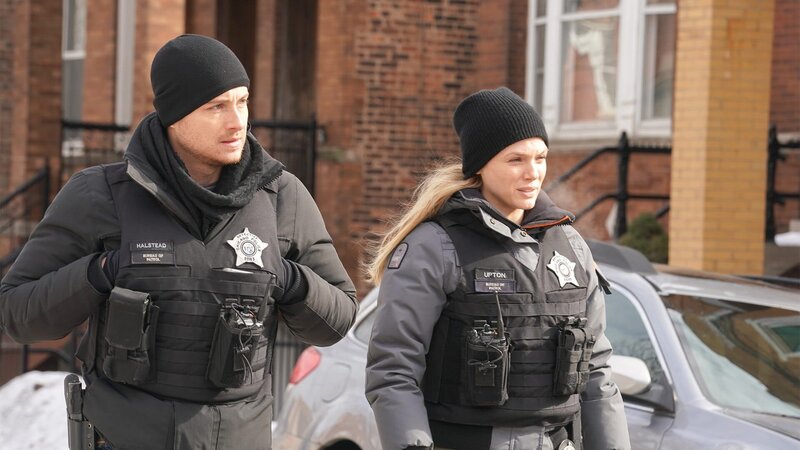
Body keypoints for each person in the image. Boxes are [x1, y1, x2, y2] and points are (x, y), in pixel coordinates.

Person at [0, 34, 358, 449]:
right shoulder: (101, 194)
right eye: (216, 107)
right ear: (174, 115)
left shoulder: (282, 197)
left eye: (242, 101)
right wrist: (101, 272)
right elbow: (17, 313)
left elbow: (340, 319)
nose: (237, 122)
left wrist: (287, 278)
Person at [365, 87, 630, 450]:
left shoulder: (571, 244)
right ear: (481, 165)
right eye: (515, 160)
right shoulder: (434, 246)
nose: (533, 173)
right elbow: (393, 370)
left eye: (540, 158)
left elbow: (597, 370)